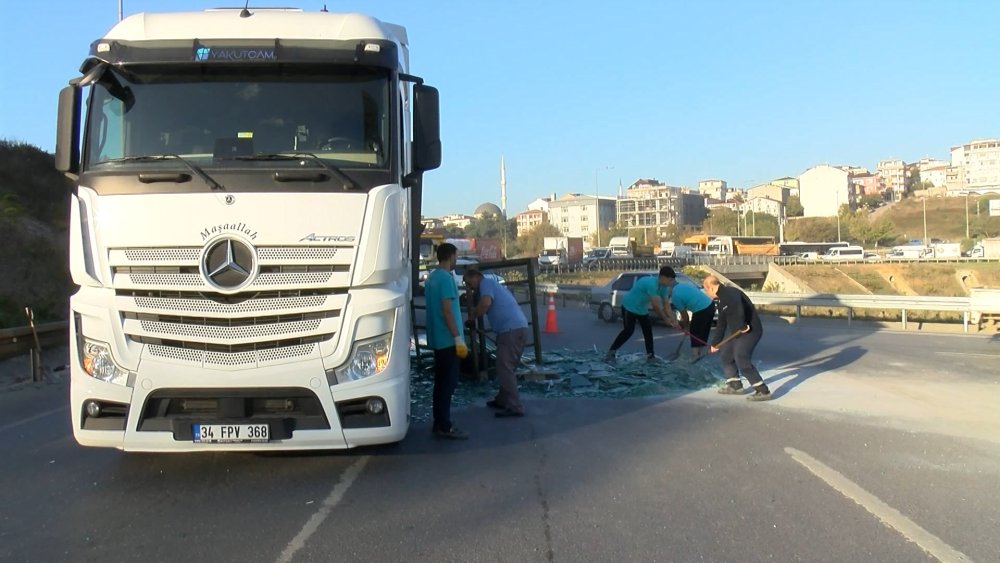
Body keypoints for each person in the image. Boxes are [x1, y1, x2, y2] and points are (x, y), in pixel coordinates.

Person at [463, 268, 528, 418]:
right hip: (511, 330)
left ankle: (514, 406)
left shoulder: (486, 283)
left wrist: (472, 316)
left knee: (505, 367)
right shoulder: (491, 285)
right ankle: (503, 399)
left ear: (476, 277)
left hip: (512, 330)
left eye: (468, 282)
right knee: (504, 366)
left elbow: (485, 303)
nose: (469, 286)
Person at [423, 243, 470, 438]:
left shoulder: (432, 277)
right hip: (448, 339)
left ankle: (439, 422)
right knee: (448, 384)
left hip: (437, 338)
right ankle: (445, 425)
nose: (456, 259)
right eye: (456, 256)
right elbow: (447, 310)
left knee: (440, 383)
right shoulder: (445, 279)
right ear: (451, 256)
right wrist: (457, 337)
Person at [701, 275, 772, 401]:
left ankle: (763, 391)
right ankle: (735, 385)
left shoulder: (730, 293)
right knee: (726, 354)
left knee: (741, 358)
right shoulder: (721, 300)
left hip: (750, 330)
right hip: (737, 331)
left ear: (710, 288)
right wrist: (715, 343)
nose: (707, 294)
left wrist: (741, 324)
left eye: (706, 291)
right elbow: (721, 324)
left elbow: (738, 307)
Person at [605, 266, 681, 363]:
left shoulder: (664, 288)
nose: (671, 283)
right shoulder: (651, 284)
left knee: (648, 332)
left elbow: (666, 305)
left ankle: (650, 356)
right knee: (628, 331)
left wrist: (674, 320)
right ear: (662, 277)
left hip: (641, 309)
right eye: (670, 280)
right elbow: (655, 305)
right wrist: (665, 318)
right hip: (629, 306)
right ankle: (612, 351)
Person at [662, 266, 716, 359]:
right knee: (703, 332)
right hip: (710, 305)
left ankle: (695, 356)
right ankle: (701, 354)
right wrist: (687, 326)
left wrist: (686, 327)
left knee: (695, 333)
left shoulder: (675, 297)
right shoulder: (684, 285)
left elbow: (684, 315)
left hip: (701, 310)